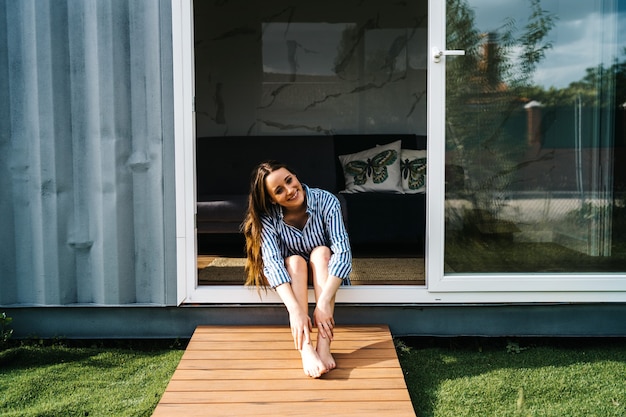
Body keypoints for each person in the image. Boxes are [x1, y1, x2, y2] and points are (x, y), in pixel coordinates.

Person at [242, 160, 352, 378]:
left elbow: (343, 253)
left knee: (321, 252)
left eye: (289, 180)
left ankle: (324, 345)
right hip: (294, 280)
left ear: (295, 175)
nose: (290, 190)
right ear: (271, 200)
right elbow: (272, 264)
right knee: (294, 261)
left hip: (327, 279)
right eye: (279, 191)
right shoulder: (269, 218)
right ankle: (306, 348)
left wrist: (322, 303)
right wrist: (295, 311)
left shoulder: (326, 201)